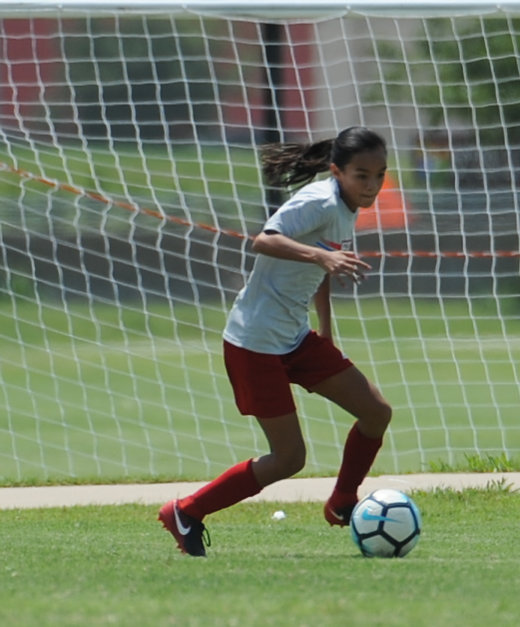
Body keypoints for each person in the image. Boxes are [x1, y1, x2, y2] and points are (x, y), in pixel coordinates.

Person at [159, 125, 392, 557]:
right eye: (362, 175)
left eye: (379, 175)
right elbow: (264, 240)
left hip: (294, 337)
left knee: (376, 412)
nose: (372, 185)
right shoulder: (320, 201)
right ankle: (186, 510)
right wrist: (321, 255)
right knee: (288, 458)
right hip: (255, 342)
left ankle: (342, 501)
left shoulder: (345, 205)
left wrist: (325, 329)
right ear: (337, 171)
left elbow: (324, 263)